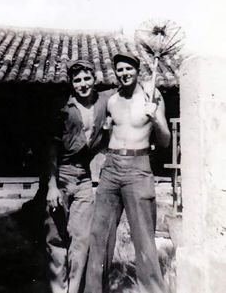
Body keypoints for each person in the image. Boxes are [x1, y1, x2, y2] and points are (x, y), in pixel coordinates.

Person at [85, 51, 171, 293]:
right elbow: (101, 138)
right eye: (120, 69)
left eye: (128, 68)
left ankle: (152, 289)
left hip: (138, 167)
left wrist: (156, 119)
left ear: (137, 69)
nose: (124, 73)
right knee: (99, 235)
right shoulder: (112, 100)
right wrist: (104, 130)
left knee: (144, 237)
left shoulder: (152, 96)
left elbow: (165, 140)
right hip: (111, 167)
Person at [44, 60, 114, 293]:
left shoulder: (104, 101)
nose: (82, 84)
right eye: (77, 80)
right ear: (72, 84)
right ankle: (58, 289)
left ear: (95, 80)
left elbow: (128, 88)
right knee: (55, 238)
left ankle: (73, 290)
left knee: (82, 239)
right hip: (60, 176)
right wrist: (52, 186)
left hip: (84, 178)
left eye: (86, 78)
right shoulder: (63, 107)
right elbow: (51, 149)